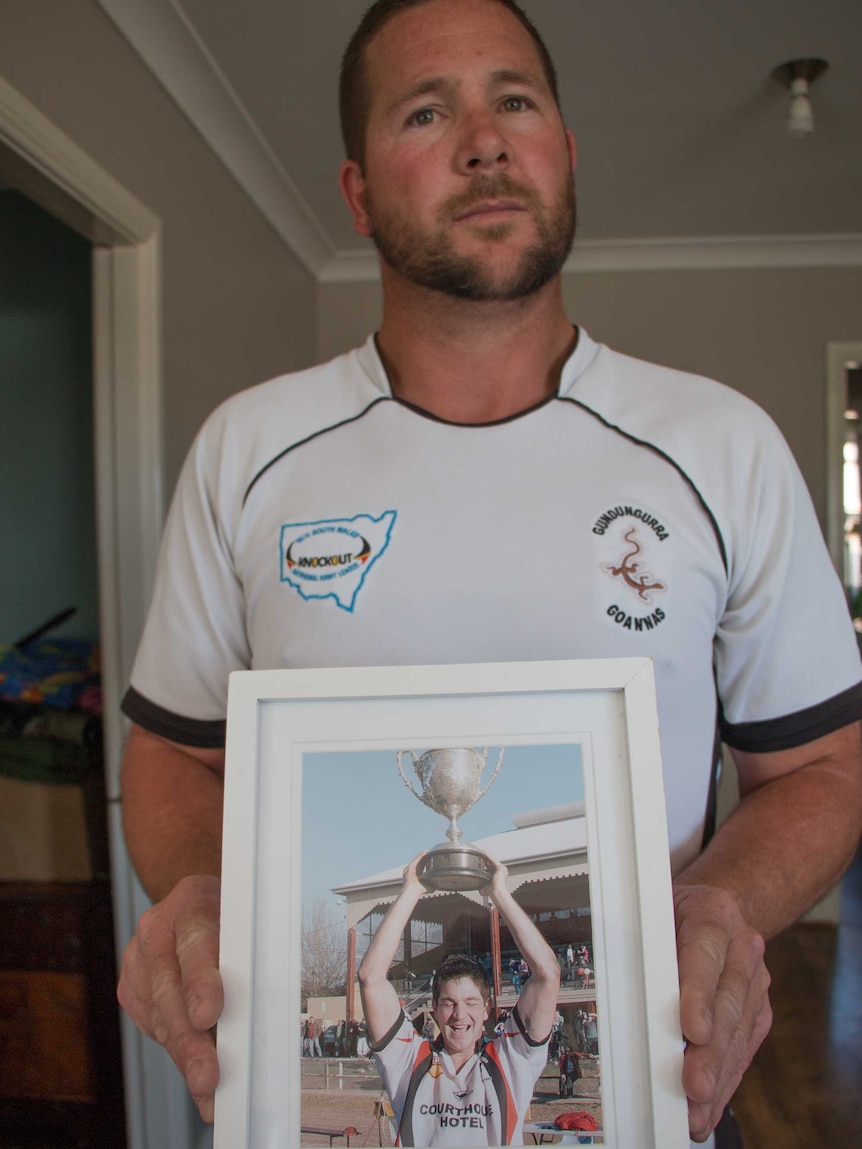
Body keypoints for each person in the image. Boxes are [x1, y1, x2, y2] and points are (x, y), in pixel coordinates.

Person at [115, 0, 862, 1144]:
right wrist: (204, 891)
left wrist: (721, 904)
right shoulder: (247, 451)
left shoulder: (721, 446)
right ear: (359, 192)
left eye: (515, 100)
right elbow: (170, 749)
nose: (483, 139)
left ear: (564, 150)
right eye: (427, 110)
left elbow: (819, 766)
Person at [358, 852, 560, 1146]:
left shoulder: (511, 1059)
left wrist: (499, 893)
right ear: (435, 1009)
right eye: (449, 1003)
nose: (459, 1014)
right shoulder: (409, 1060)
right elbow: (370, 977)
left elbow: (548, 974)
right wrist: (411, 889)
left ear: (487, 1008)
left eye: (470, 1002)